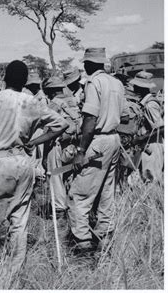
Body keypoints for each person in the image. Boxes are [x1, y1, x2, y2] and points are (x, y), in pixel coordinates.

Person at [0, 60, 69, 274]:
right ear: (25, 81)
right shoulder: (33, 102)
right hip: (24, 162)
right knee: (19, 221)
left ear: (5, 78)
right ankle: (13, 272)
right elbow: (61, 124)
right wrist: (35, 142)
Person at [69, 48, 125, 255]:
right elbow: (125, 115)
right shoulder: (116, 83)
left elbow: (90, 119)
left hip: (99, 140)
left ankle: (82, 244)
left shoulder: (94, 83)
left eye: (86, 63)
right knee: (106, 192)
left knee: (80, 194)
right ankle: (105, 239)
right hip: (114, 138)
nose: (84, 67)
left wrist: (81, 149)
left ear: (91, 64)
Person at [42, 75, 80, 221]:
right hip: (73, 144)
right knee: (69, 175)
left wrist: (45, 155)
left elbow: (47, 130)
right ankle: (71, 207)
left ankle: (58, 209)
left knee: (55, 175)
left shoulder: (53, 105)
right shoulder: (73, 101)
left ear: (49, 91)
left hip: (57, 144)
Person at [129, 71, 164, 184]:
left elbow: (161, 128)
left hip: (152, 147)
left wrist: (141, 138)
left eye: (136, 85)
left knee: (151, 180)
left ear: (141, 87)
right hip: (146, 145)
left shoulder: (150, 105)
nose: (133, 86)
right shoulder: (144, 103)